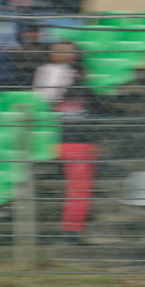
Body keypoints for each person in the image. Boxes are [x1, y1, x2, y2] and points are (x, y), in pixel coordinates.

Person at [43, 49, 100, 241]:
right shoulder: (87, 93)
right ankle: (73, 228)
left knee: (75, 189)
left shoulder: (63, 94)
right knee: (80, 189)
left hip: (63, 144)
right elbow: (98, 114)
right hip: (80, 145)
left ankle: (72, 225)